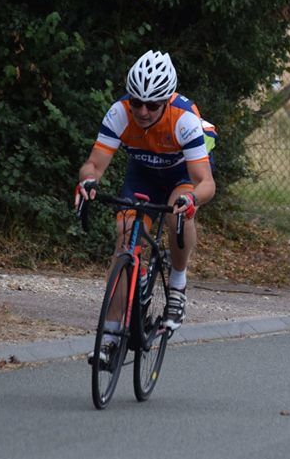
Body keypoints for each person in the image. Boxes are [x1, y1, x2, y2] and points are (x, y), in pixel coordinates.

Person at [74, 50, 216, 348]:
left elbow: (205, 183)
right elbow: (94, 164)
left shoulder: (184, 120)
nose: (142, 111)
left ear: (167, 99)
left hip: (183, 174)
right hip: (144, 173)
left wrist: (191, 201)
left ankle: (177, 283)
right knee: (125, 239)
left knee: (177, 215)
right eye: (136, 102)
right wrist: (87, 180)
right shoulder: (119, 113)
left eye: (152, 105)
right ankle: (111, 335)